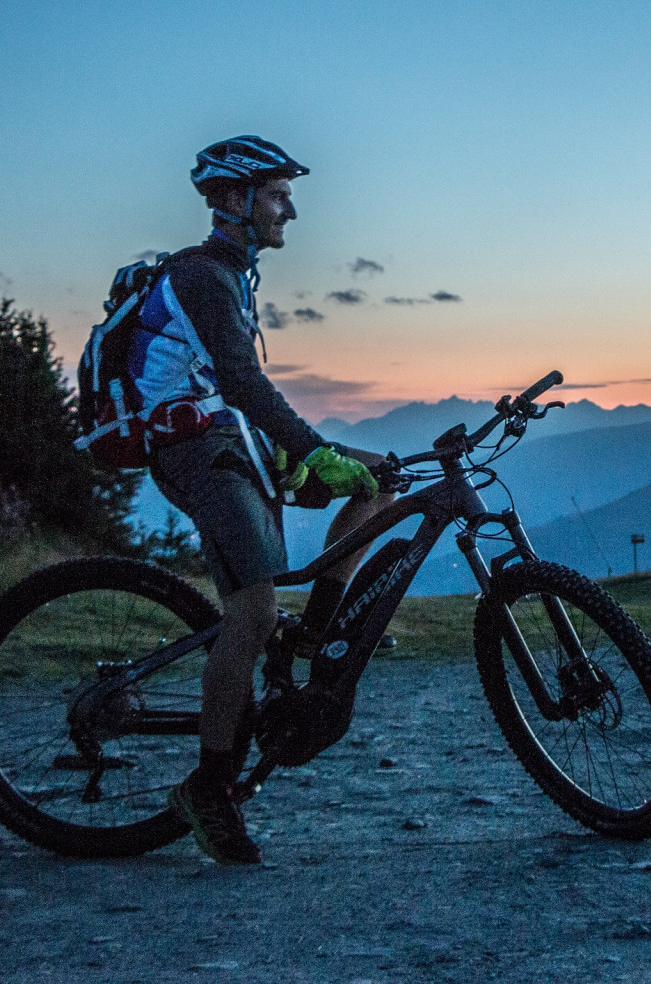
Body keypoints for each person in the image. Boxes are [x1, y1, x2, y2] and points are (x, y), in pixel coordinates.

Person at [142, 135, 395, 864]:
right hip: (197, 449)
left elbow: (245, 395)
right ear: (234, 199)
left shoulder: (235, 276)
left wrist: (323, 453)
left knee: (380, 481)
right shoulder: (202, 273)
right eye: (279, 195)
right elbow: (243, 384)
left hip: (237, 442)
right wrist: (315, 448)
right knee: (249, 614)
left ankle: (308, 637)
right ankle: (209, 786)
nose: (292, 209)